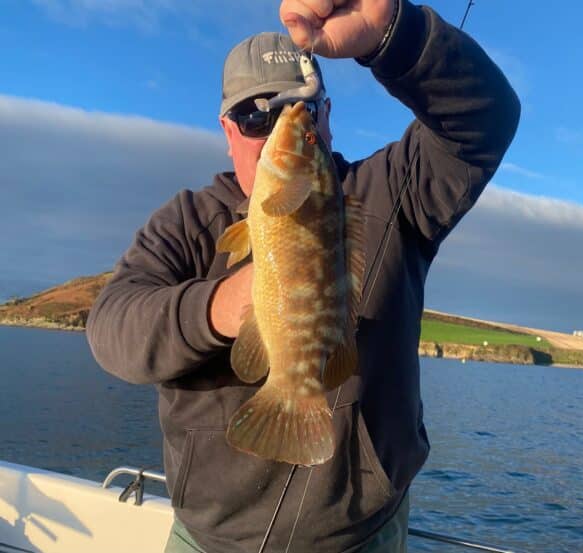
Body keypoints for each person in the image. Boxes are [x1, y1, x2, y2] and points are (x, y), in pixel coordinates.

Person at [87, 0, 520, 551]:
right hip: (209, 538)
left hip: (361, 533)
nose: (278, 131)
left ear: (328, 118)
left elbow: (485, 120)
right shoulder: (187, 221)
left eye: (304, 113)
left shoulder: (394, 191)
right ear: (226, 127)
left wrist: (393, 33)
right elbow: (112, 331)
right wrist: (222, 307)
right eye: (255, 116)